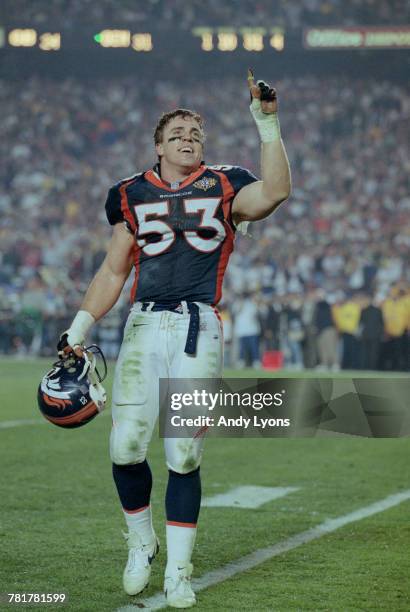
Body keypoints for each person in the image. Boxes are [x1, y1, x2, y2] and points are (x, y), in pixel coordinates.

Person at [59, 71, 291, 608]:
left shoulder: (227, 182)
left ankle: (180, 571)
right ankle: (142, 542)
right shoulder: (130, 193)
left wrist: (267, 121)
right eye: (179, 133)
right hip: (142, 325)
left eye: (197, 133)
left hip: (198, 327)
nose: (190, 139)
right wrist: (78, 329)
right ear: (159, 145)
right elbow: (114, 270)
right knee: (124, 445)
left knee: (184, 453)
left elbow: (277, 191)